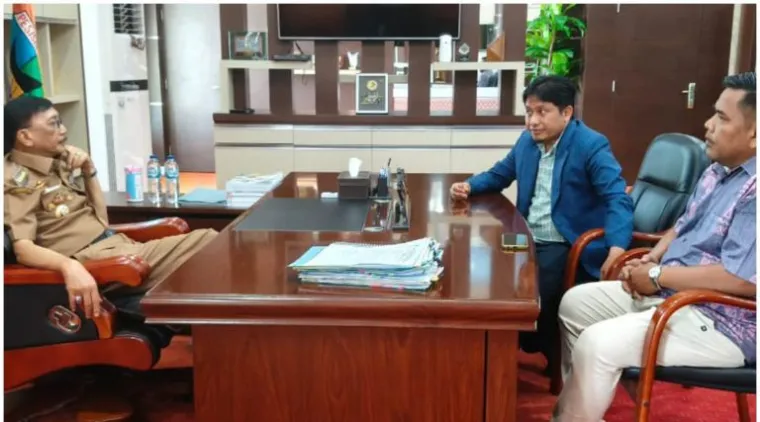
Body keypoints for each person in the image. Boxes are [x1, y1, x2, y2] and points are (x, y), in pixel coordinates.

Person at [552, 72, 756, 422]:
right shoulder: (717, 171)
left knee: (597, 344)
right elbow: (684, 224)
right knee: (575, 304)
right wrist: (652, 256)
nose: (708, 125)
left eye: (722, 118)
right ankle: (583, 410)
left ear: (754, 133)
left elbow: (742, 279)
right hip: (675, 296)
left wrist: (658, 275)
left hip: (723, 321)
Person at [449, 75, 634, 367]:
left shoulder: (591, 145)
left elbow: (617, 198)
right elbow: (500, 174)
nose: (532, 121)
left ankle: (532, 351)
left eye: (542, 112)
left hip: (565, 242)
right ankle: (490, 345)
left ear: (566, 112)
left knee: (533, 292)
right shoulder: (527, 141)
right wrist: (469, 186)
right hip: (525, 237)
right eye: (528, 112)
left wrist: (617, 248)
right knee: (488, 263)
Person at [4, 96, 217, 320]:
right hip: (96, 261)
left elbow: (101, 221)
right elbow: (23, 249)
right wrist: (69, 266)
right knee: (210, 242)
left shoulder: (57, 160)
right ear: (25, 137)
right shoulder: (15, 181)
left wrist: (89, 169)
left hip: (114, 245)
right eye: (53, 124)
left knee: (208, 263)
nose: (63, 130)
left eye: (61, 121)